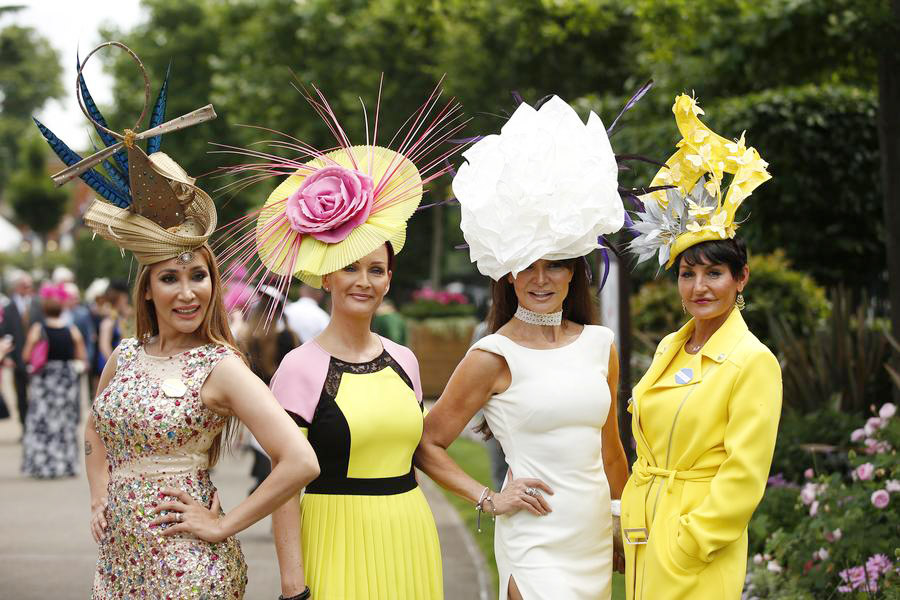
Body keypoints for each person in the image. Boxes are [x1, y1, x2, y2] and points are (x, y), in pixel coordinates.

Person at [35, 42, 319, 599]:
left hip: (190, 570)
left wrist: (223, 522)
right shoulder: (125, 356)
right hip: (119, 567)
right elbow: (95, 429)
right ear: (147, 288)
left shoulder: (220, 367)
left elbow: (299, 461)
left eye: (199, 276)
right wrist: (99, 495)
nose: (188, 292)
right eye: (170, 278)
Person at [221, 82, 462, 599]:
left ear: (390, 280)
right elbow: (285, 484)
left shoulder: (406, 360)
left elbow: (419, 449)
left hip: (410, 537)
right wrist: (292, 584)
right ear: (325, 276)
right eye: (350, 267)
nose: (364, 281)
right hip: (334, 540)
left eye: (377, 270)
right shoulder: (299, 368)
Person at [416, 95, 633, 600]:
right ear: (507, 273)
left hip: (596, 540)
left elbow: (611, 448)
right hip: (536, 545)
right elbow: (427, 443)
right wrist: (488, 498)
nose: (540, 278)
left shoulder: (601, 345)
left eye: (554, 263)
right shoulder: (493, 355)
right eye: (527, 265)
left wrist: (623, 523)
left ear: (575, 270)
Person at [623, 94, 781, 600]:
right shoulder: (672, 345)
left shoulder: (752, 361)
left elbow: (744, 475)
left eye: (714, 273)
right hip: (645, 536)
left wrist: (690, 542)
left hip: (695, 551)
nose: (699, 287)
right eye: (688, 274)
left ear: (741, 279)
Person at [235, 285, 300, 494]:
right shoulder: (288, 337)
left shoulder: (245, 339)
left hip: (255, 403)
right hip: (284, 403)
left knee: (263, 451)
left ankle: (263, 487)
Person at [21, 282, 87, 478]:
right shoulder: (71, 329)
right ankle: (65, 463)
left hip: (44, 381)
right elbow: (81, 355)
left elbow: (26, 355)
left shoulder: (38, 329)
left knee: (41, 422)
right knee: (65, 423)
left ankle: (42, 464)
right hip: (65, 381)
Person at [0, 270, 36, 432]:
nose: (27, 288)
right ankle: (24, 427)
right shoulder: (8, 308)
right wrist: (6, 356)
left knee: (36, 395)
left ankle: (35, 426)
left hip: (36, 359)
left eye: (29, 285)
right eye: (24, 285)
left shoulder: (36, 305)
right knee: (21, 395)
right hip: (17, 358)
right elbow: (4, 333)